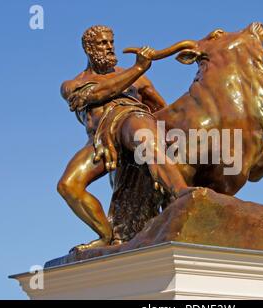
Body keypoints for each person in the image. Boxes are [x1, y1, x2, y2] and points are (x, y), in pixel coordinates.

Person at [58, 25, 188, 251]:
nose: (109, 47)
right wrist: (138, 68)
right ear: (88, 48)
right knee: (68, 185)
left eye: (111, 42)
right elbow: (98, 93)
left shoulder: (139, 81)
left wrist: (172, 137)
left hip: (132, 118)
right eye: (102, 43)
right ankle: (106, 236)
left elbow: (162, 109)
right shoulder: (73, 84)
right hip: (101, 139)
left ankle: (183, 195)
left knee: (145, 139)